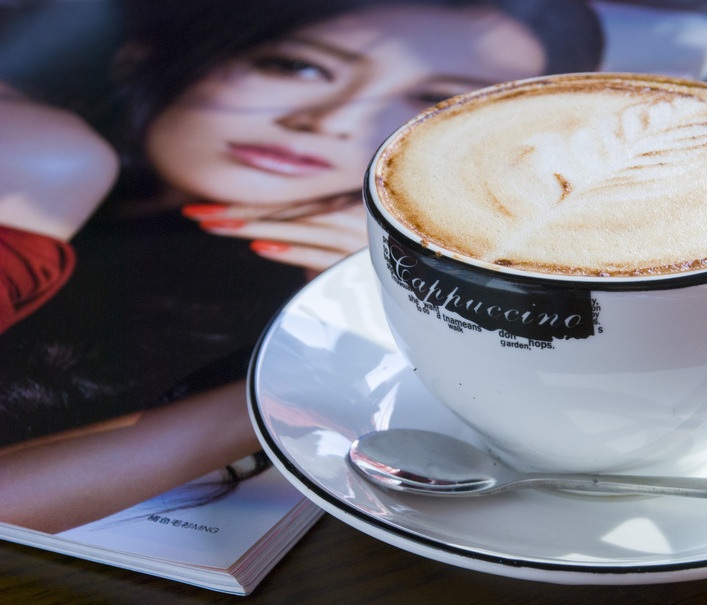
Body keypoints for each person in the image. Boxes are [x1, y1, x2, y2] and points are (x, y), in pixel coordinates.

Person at [0, 0, 603, 532]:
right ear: (147, 56)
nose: (332, 121)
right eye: (296, 66)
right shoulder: (44, 153)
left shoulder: (279, 302)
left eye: (434, 103)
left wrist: (341, 333)